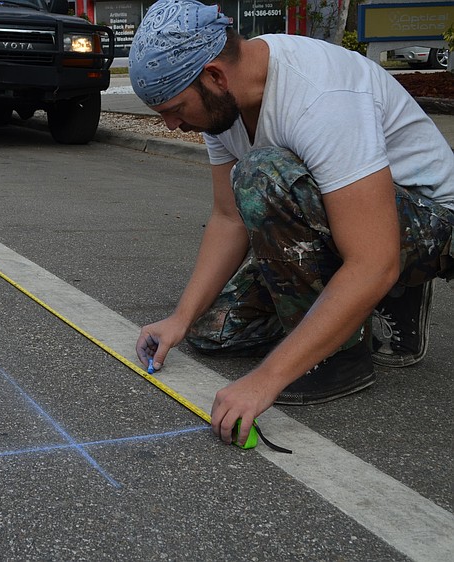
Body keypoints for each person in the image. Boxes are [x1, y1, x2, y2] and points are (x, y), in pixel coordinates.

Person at [129, 0, 454, 446]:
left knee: (262, 173)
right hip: (348, 222)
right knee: (214, 330)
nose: (170, 124)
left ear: (215, 76)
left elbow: (374, 261)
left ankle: (345, 356)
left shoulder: (319, 95)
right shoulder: (221, 104)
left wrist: (266, 379)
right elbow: (228, 217)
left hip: (426, 222)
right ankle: (356, 310)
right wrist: (180, 319)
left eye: (174, 108)